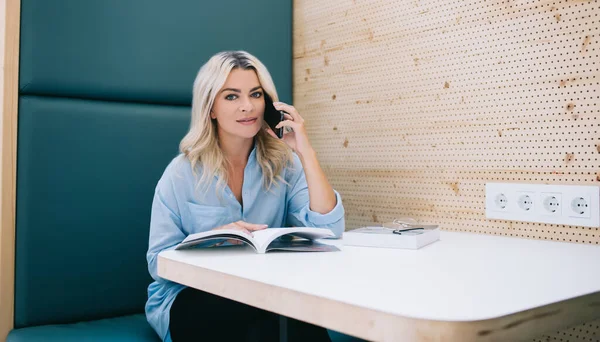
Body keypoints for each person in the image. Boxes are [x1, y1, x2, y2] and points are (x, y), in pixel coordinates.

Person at [145, 51, 346, 342]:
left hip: (262, 290)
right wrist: (212, 240)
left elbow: (330, 230)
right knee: (260, 313)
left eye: (255, 94)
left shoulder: (285, 162)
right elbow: (157, 262)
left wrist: (306, 152)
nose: (247, 106)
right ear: (210, 108)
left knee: (292, 310)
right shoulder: (181, 173)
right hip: (193, 298)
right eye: (231, 97)